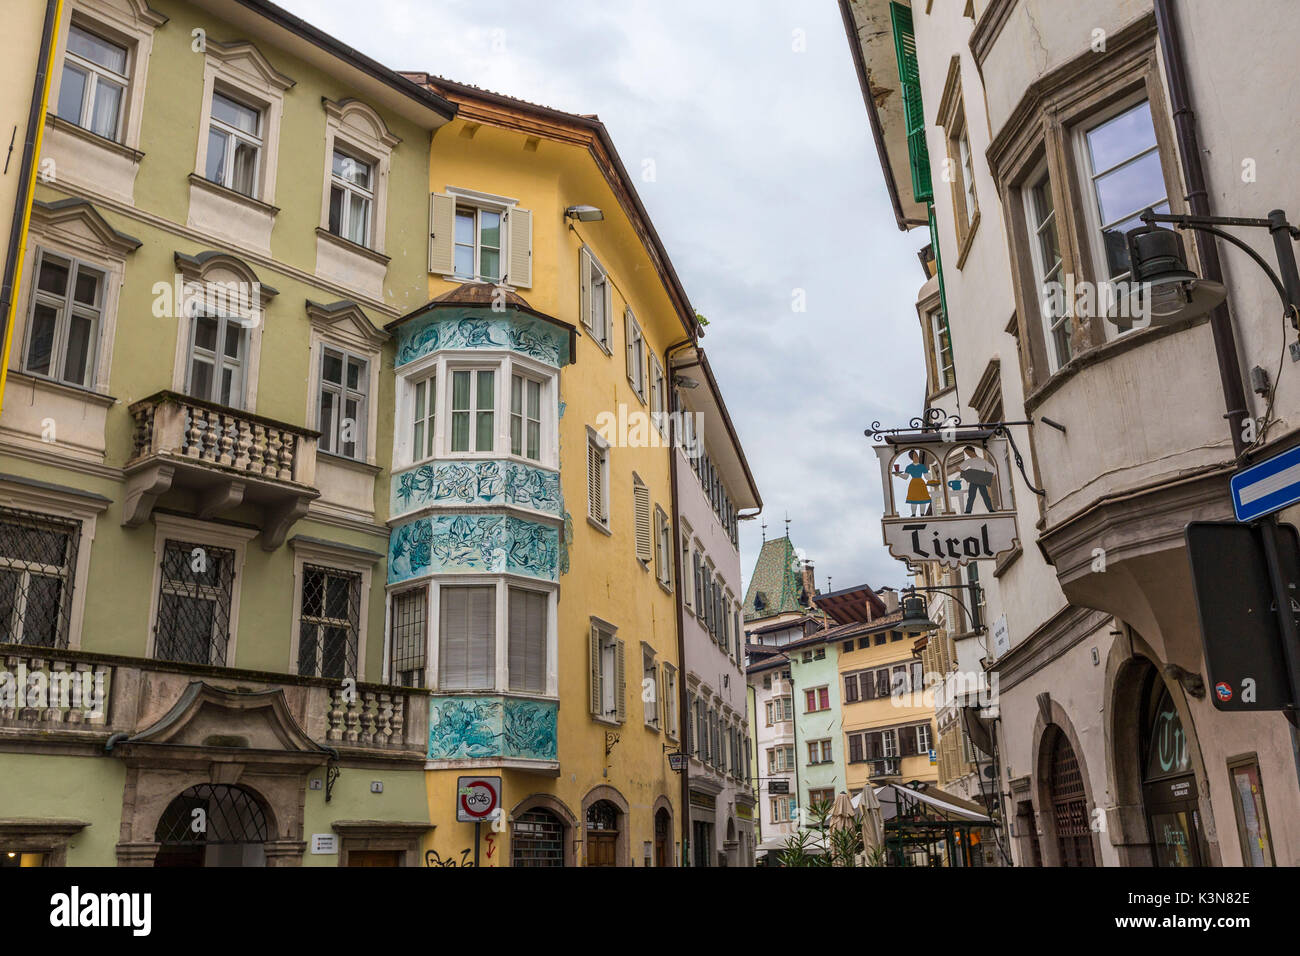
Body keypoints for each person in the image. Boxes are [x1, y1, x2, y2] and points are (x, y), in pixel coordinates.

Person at [959, 446, 996, 514]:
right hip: (973, 480)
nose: (968, 454)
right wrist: (967, 475)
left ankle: (990, 509)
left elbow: (992, 469)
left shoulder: (982, 460)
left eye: (968, 452)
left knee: (985, 496)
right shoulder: (969, 461)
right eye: (966, 453)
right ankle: (968, 510)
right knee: (971, 496)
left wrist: (992, 476)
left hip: (981, 480)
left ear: (972, 451)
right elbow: (959, 468)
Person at [896, 450, 933, 517]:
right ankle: (913, 514)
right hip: (913, 484)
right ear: (911, 458)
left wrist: (933, 475)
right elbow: (906, 477)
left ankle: (922, 514)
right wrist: (898, 474)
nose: (916, 457)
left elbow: (927, 476)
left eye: (916, 455)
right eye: (914, 456)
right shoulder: (909, 467)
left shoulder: (922, 466)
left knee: (923, 499)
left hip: (921, 483)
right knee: (913, 499)